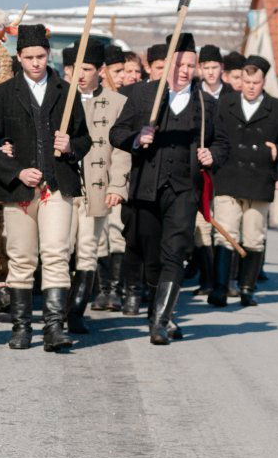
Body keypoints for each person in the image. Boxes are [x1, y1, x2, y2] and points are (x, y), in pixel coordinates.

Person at [0, 23, 92, 352]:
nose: (36, 63)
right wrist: (12, 166)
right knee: (21, 257)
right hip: (18, 188)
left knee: (57, 253)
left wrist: (71, 145)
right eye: (29, 57)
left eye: (41, 56)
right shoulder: (0, 94)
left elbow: (85, 140)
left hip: (57, 184)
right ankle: (22, 326)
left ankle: (55, 327)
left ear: (49, 55)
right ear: (19, 57)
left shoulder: (67, 92)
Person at [109, 32, 229, 344]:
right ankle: (157, 310)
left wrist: (211, 154)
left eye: (192, 65)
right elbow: (116, 132)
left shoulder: (208, 104)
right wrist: (137, 139)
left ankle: (161, 322)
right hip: (146, 190)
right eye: (181, 64)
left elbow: (222, 143)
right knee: (152, 256)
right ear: (169, 65)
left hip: (183, 191)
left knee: (174, 252)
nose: (186, 70)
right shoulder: (143, 96)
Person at [207, 55, 278, 307]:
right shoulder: (225, 103)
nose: (250, 86)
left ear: (263, 82)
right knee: (225, 234)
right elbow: (212, 134)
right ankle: (219, 288)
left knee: (253, 236)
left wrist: (277, 152)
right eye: (246, 81)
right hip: (228, 178)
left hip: (259, 181)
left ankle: (247, 288)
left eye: (255, 82)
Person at [64, 41, 129, 334]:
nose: (80, 75)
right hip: (65, 186)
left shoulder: (117, 103)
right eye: (76, 68)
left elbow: (121, 149)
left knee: (88, 249)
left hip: (98, 186)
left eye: (87, 69)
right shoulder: (59, 100)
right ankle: (58, 309)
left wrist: (117, 185)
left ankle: (77, 312)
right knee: (60, 249)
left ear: (100, 71)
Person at [93, 46, 141, 311]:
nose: (123, 76)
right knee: (97, 235)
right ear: (104, 72)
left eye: (126, 70)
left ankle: (117, 288)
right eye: (117, 71)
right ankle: (103, 289)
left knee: (117, 232)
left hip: (120, 175)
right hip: (94, 176)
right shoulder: (95, 98)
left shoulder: (128, 100)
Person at [188, 44, 232, 294]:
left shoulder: (232, 97)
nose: (211, 72)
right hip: (201, 172)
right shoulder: (193, 94)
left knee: (224, 227)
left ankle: (225, 279)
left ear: (222, 68)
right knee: (202, 226)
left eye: (215, 67)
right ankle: (206, 279)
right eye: (206, 67)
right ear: (200, 69)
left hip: (225, 172)